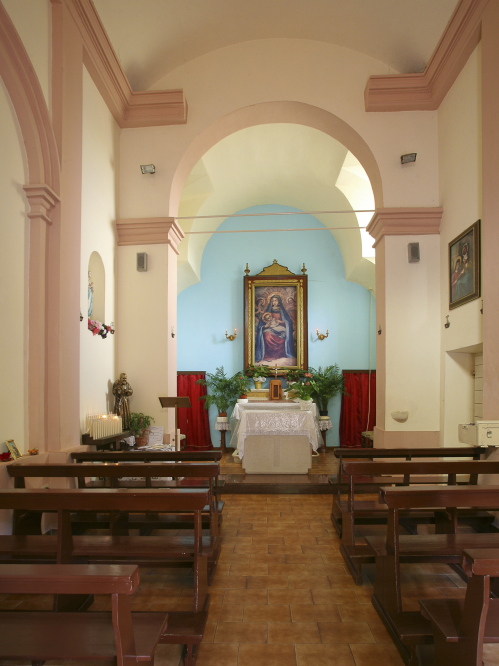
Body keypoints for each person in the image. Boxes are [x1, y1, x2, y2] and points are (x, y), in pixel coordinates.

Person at [255, 294, 295, 363]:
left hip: (280, 329)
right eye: (273, 301)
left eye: (276, 300)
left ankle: (281, 355)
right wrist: (265, 326)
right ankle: (268, 356)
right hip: (270, 329)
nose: (274, 302)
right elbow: (262, 323)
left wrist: (281, 322)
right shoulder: (268, 311)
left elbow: (287, 322)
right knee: (267, 335)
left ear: (279, 301)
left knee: (280, 333)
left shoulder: (282, 311)